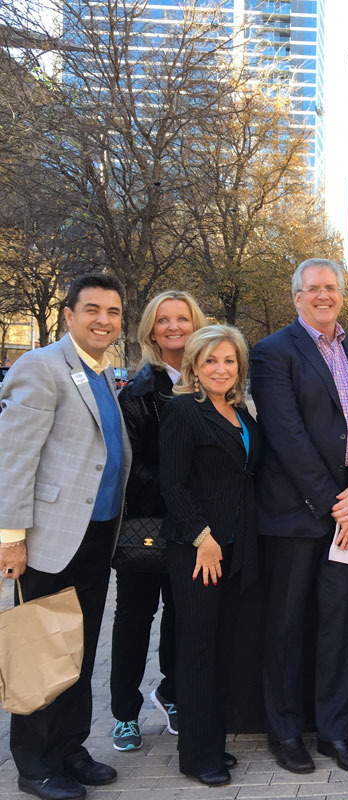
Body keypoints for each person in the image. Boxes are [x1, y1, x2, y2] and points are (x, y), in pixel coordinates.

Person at [0, 273, 131, 800]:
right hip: (49, 540)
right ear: (69, 314)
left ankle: (70, 748)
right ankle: (34, 764)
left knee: (77, 647)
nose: (104, 320)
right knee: (40, 650)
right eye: (93, 309)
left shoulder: (99, 372)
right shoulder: (42, 366)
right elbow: (14, 457)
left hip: (95, 536)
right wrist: (10, 537)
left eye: (113, 312)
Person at [250, 258, 348, 775]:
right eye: (313, 289)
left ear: (342, 293)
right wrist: (337, 503)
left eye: (331, 287)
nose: (323, 295)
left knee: (338, 627)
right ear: (296, 297)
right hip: (296, 515)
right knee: (285, 628)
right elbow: (288, 439)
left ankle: (335, 733)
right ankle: (285, 733)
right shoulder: (272, 352)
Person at [159, 325, 261, 787]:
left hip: (238, 548)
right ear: (194, 368)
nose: (221, 369)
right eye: (211, 361)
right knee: (198, 650)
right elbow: (172, 483)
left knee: (222, 649)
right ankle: (197, 757)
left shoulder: (239, 412)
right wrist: (202, 537)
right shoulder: (184, 410)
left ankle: (210, 743)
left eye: (229, 360)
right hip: (200, 551)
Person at [110, 290, 207, 751]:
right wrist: (181, 486)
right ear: (151, 330)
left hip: (194, 528)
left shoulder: (209, 381)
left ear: (195, 324)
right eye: (164, 320)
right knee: (134, 619)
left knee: (181, 617)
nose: (174, 328)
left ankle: (170, 692)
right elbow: (130, 468)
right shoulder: (139, 392)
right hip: (146, 527)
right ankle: (124, 713)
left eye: (182, 319)